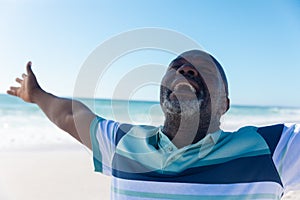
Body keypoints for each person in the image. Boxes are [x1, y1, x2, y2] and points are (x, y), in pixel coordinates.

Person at [7, 50, 300, 199]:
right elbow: (70, 116)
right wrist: (36, 95)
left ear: (224, 103)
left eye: (204, 70)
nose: (185, 69)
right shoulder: (122, 143)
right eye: (175, 67)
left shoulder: (273, 150)